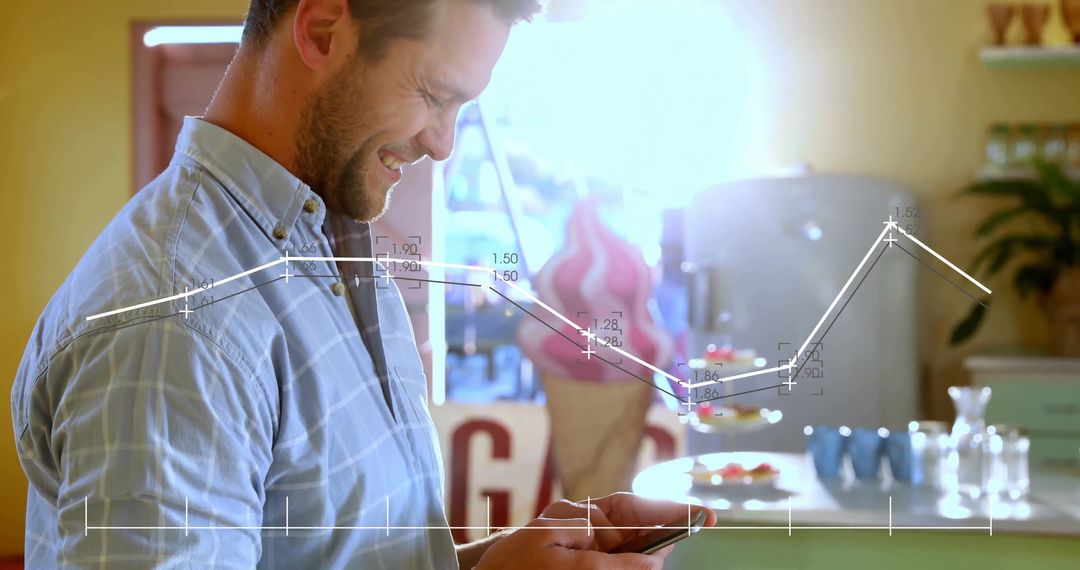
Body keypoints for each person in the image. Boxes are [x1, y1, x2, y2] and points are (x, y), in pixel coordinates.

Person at [11, 0, 714, 568]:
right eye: (436, 95)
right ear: (321, 30)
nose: (444, 143)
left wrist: (509, 558)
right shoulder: (177, 321)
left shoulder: (329, 235)